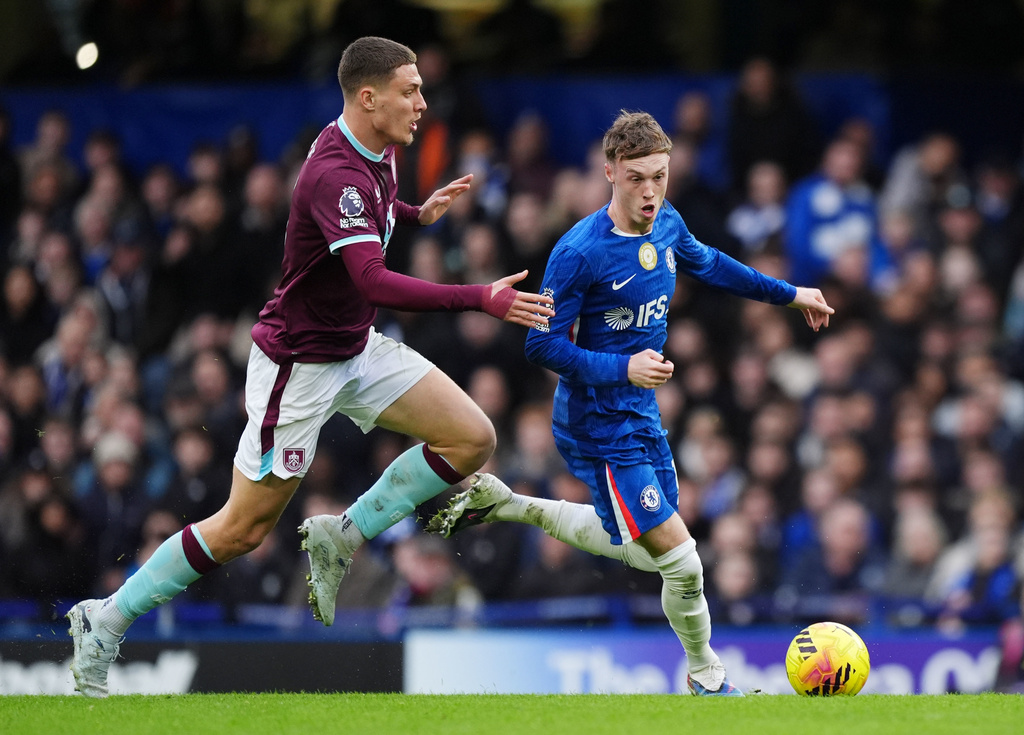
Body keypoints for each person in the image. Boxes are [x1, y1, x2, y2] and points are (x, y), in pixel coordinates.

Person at [65, 36, 555, 699]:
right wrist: (479, 297)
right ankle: (106, 618)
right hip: (298, 366)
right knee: (243, 529)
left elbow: (366, 224)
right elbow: (373, 278)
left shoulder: (378, 148)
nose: (423, 101)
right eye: (410, 90)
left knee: (472, 438)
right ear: (368, 96)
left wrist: (416, 212)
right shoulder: (334, 172)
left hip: (354, 345)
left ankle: (342, 534)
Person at [428, 110, 833, 697]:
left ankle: (509, 502)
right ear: (610, 171)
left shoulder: (666, 221)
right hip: (594, 422)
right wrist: (625, 367)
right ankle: (707, 676)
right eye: (638, 178)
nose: (650, 192)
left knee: (652, 555)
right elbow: (540, 344)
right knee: (684, 560)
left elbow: (712, 263)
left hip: (639, 413)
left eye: (660, 177)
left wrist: (791, 294)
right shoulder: (578, 252)